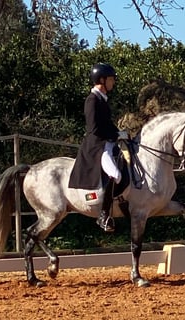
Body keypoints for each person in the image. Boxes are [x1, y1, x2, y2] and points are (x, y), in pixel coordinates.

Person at [68, 63, 125, 232]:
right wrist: (116, 136)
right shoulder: (92, 100)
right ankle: (104, 215)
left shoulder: (102, 99)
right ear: (102, 80)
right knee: (115, 175)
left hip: (108, 143)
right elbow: (94, 128)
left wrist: (121, 133)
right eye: (111, 79)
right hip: (97, 146)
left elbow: (107, 124)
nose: (113, 82)